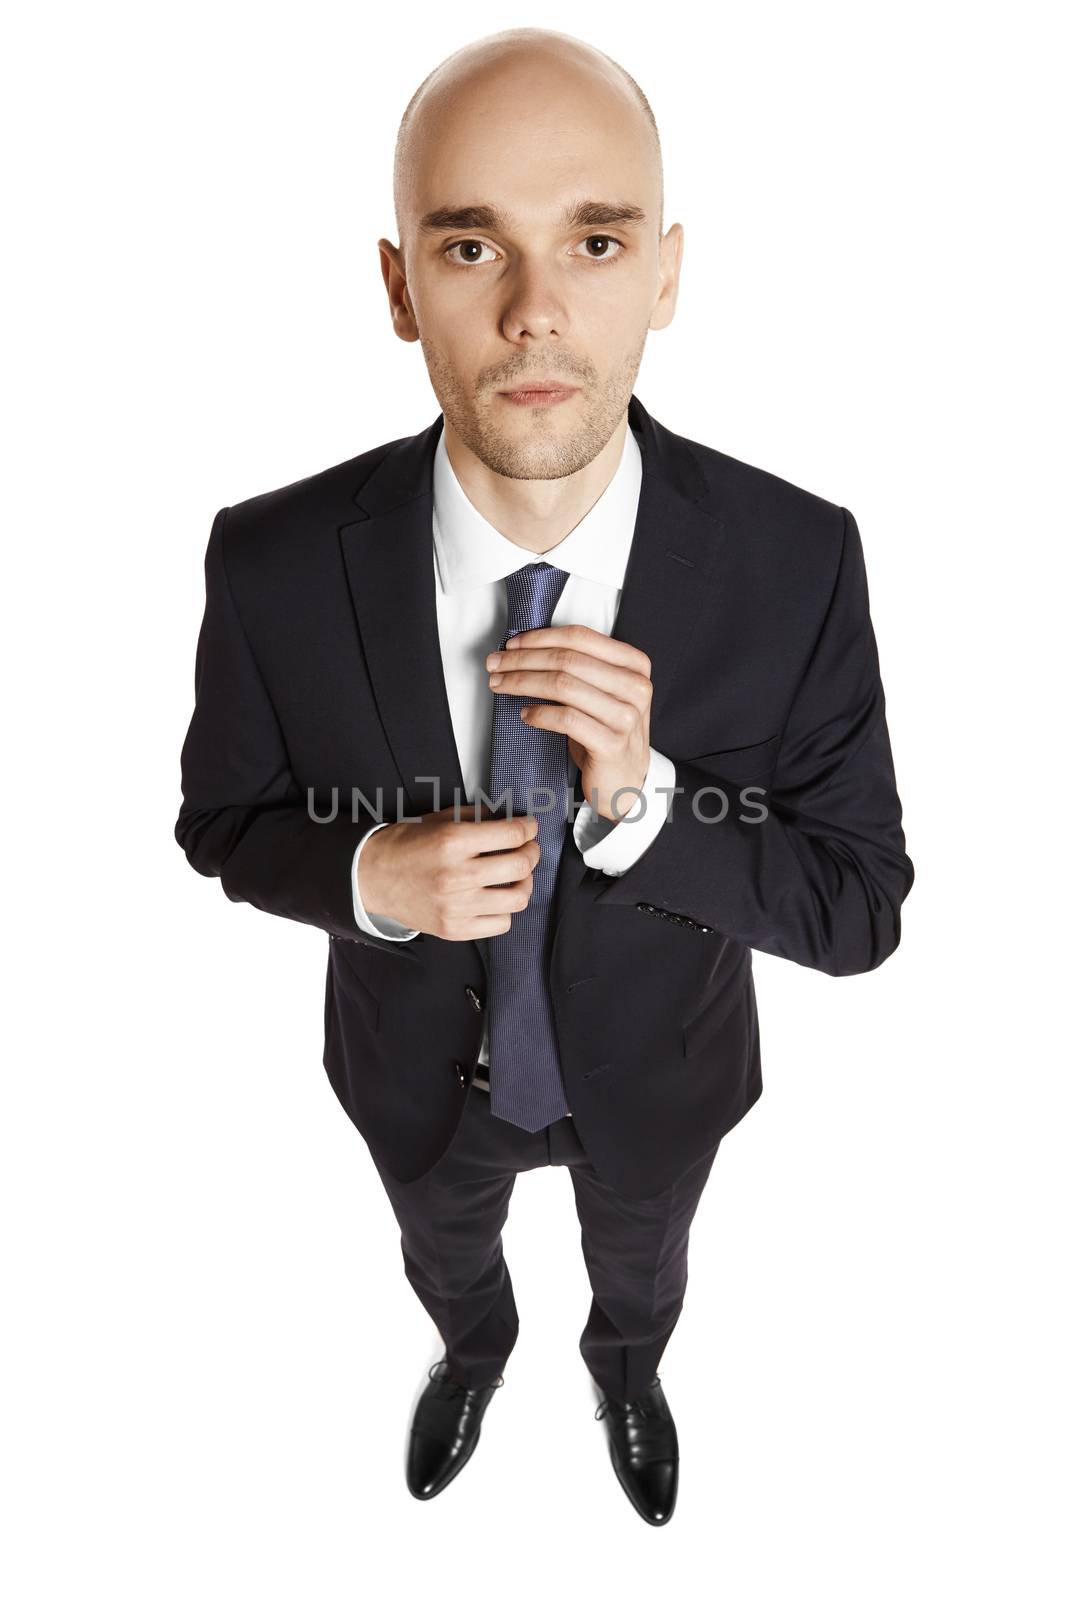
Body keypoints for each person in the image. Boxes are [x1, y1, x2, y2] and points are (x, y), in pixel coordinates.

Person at [174, 26, 914, 1527]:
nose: (531, 312)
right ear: (400, 286)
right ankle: (474, 1350)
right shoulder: (267, 562)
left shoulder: (797, 559)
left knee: (644, 1265)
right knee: (445, 1253)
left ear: (665, 273)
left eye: (592, 239)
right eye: (469, 245)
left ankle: (625, 1369)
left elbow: (859, 906)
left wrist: (652, 804)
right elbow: (222, 821)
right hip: (414, 1080)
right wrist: (368, 880)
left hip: (661, 1082)